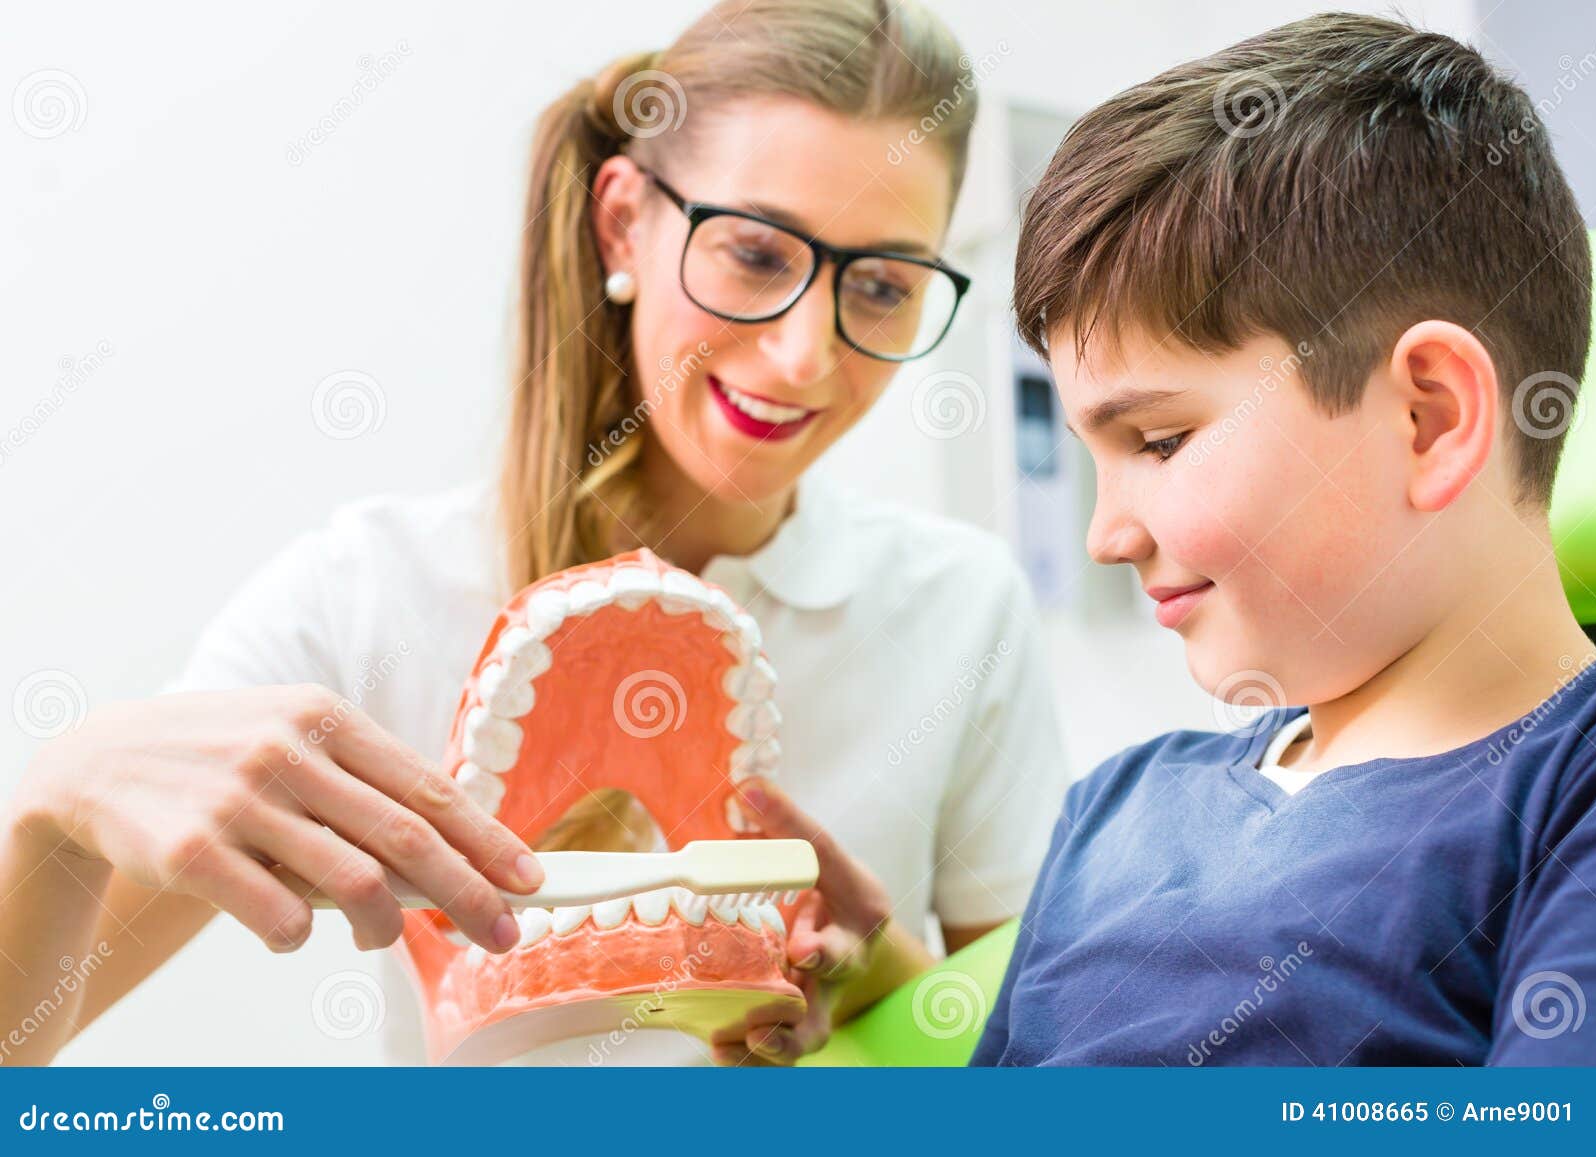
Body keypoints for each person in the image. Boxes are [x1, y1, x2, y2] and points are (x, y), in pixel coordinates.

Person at [1, 0, 1068, 1068]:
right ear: (623, 225)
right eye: (752, 253)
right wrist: (55, 807)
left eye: (882, 285)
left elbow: (1046, 1078)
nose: (801, 356)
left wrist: (870, 980)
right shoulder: (362, 599)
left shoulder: (960, 604)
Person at [974, 13, 1596, 1065]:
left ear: (1429, 419)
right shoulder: (1115, 807)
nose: (1102, 534)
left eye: (1160, 440)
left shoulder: (1562, 796)